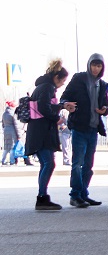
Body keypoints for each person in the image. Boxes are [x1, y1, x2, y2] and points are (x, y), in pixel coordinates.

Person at [60, 53, 108, 207]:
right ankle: (75, 195)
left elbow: (106, 106)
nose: (96, 68)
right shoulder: (79, 79)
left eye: (99, 65)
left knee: (88, 164)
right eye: (94, 65)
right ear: (89, 65)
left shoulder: (103, 85)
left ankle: (83, 193)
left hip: (93, 129)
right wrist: (66, 104)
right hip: (79, 128)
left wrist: (104, 109)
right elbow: (64, 97)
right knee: (77, 163)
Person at [25, 60, 77, 211]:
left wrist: (61, 106)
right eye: (62, 81)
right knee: (48, 163)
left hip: (38, 131)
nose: (62, 84)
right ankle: (42, 198)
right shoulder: (48, 87)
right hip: (42, 133)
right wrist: (57, 118)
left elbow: (44, 105)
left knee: (46, 164)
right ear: (56, 77)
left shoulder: (42, 86)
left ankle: (42, 196)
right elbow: (43, 107)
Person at [2, 101, 20, 165]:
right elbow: (16, 125)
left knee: (6, 146)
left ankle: (3, 160)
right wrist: (19, 135)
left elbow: (3, 124)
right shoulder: (13, 114)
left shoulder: (4, 114)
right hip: (12, 131)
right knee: (12, 147)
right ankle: (12, 161)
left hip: (6, 131)